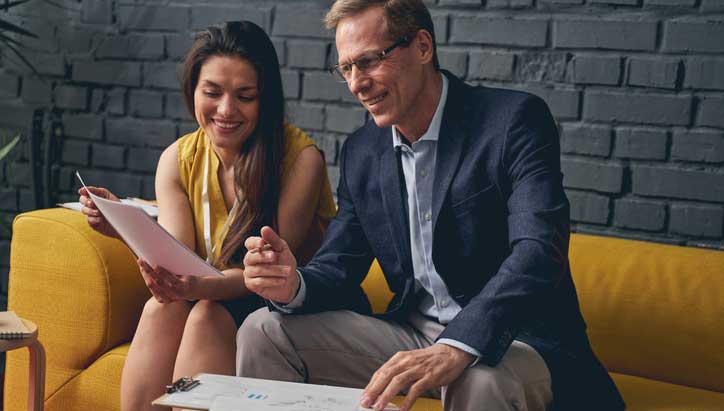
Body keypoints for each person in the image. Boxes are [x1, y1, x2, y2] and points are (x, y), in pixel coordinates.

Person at [236, 1, 625, 411]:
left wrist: (461, 343)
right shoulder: (361, 152)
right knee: (263, 331)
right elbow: (338, 265)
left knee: (476, 379)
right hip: (412, 332)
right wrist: (291, 284)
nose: (356, 84)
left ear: (423, 47)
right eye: (346, 69)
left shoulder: (512, 121)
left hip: (519, 338)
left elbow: (538, 251)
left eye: (368, 61)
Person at [78, 21, 336, 411]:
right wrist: (124, 226)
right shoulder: (178, 158)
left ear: (265, 98)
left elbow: (269, 278)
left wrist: (195, 288)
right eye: (212, 93)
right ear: (192, 92)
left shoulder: (300, 160)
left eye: (245, 96)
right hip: (210, 293)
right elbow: (177, 253)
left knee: (205, 318)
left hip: (284, 300)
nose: (226, 110)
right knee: (161, 308)